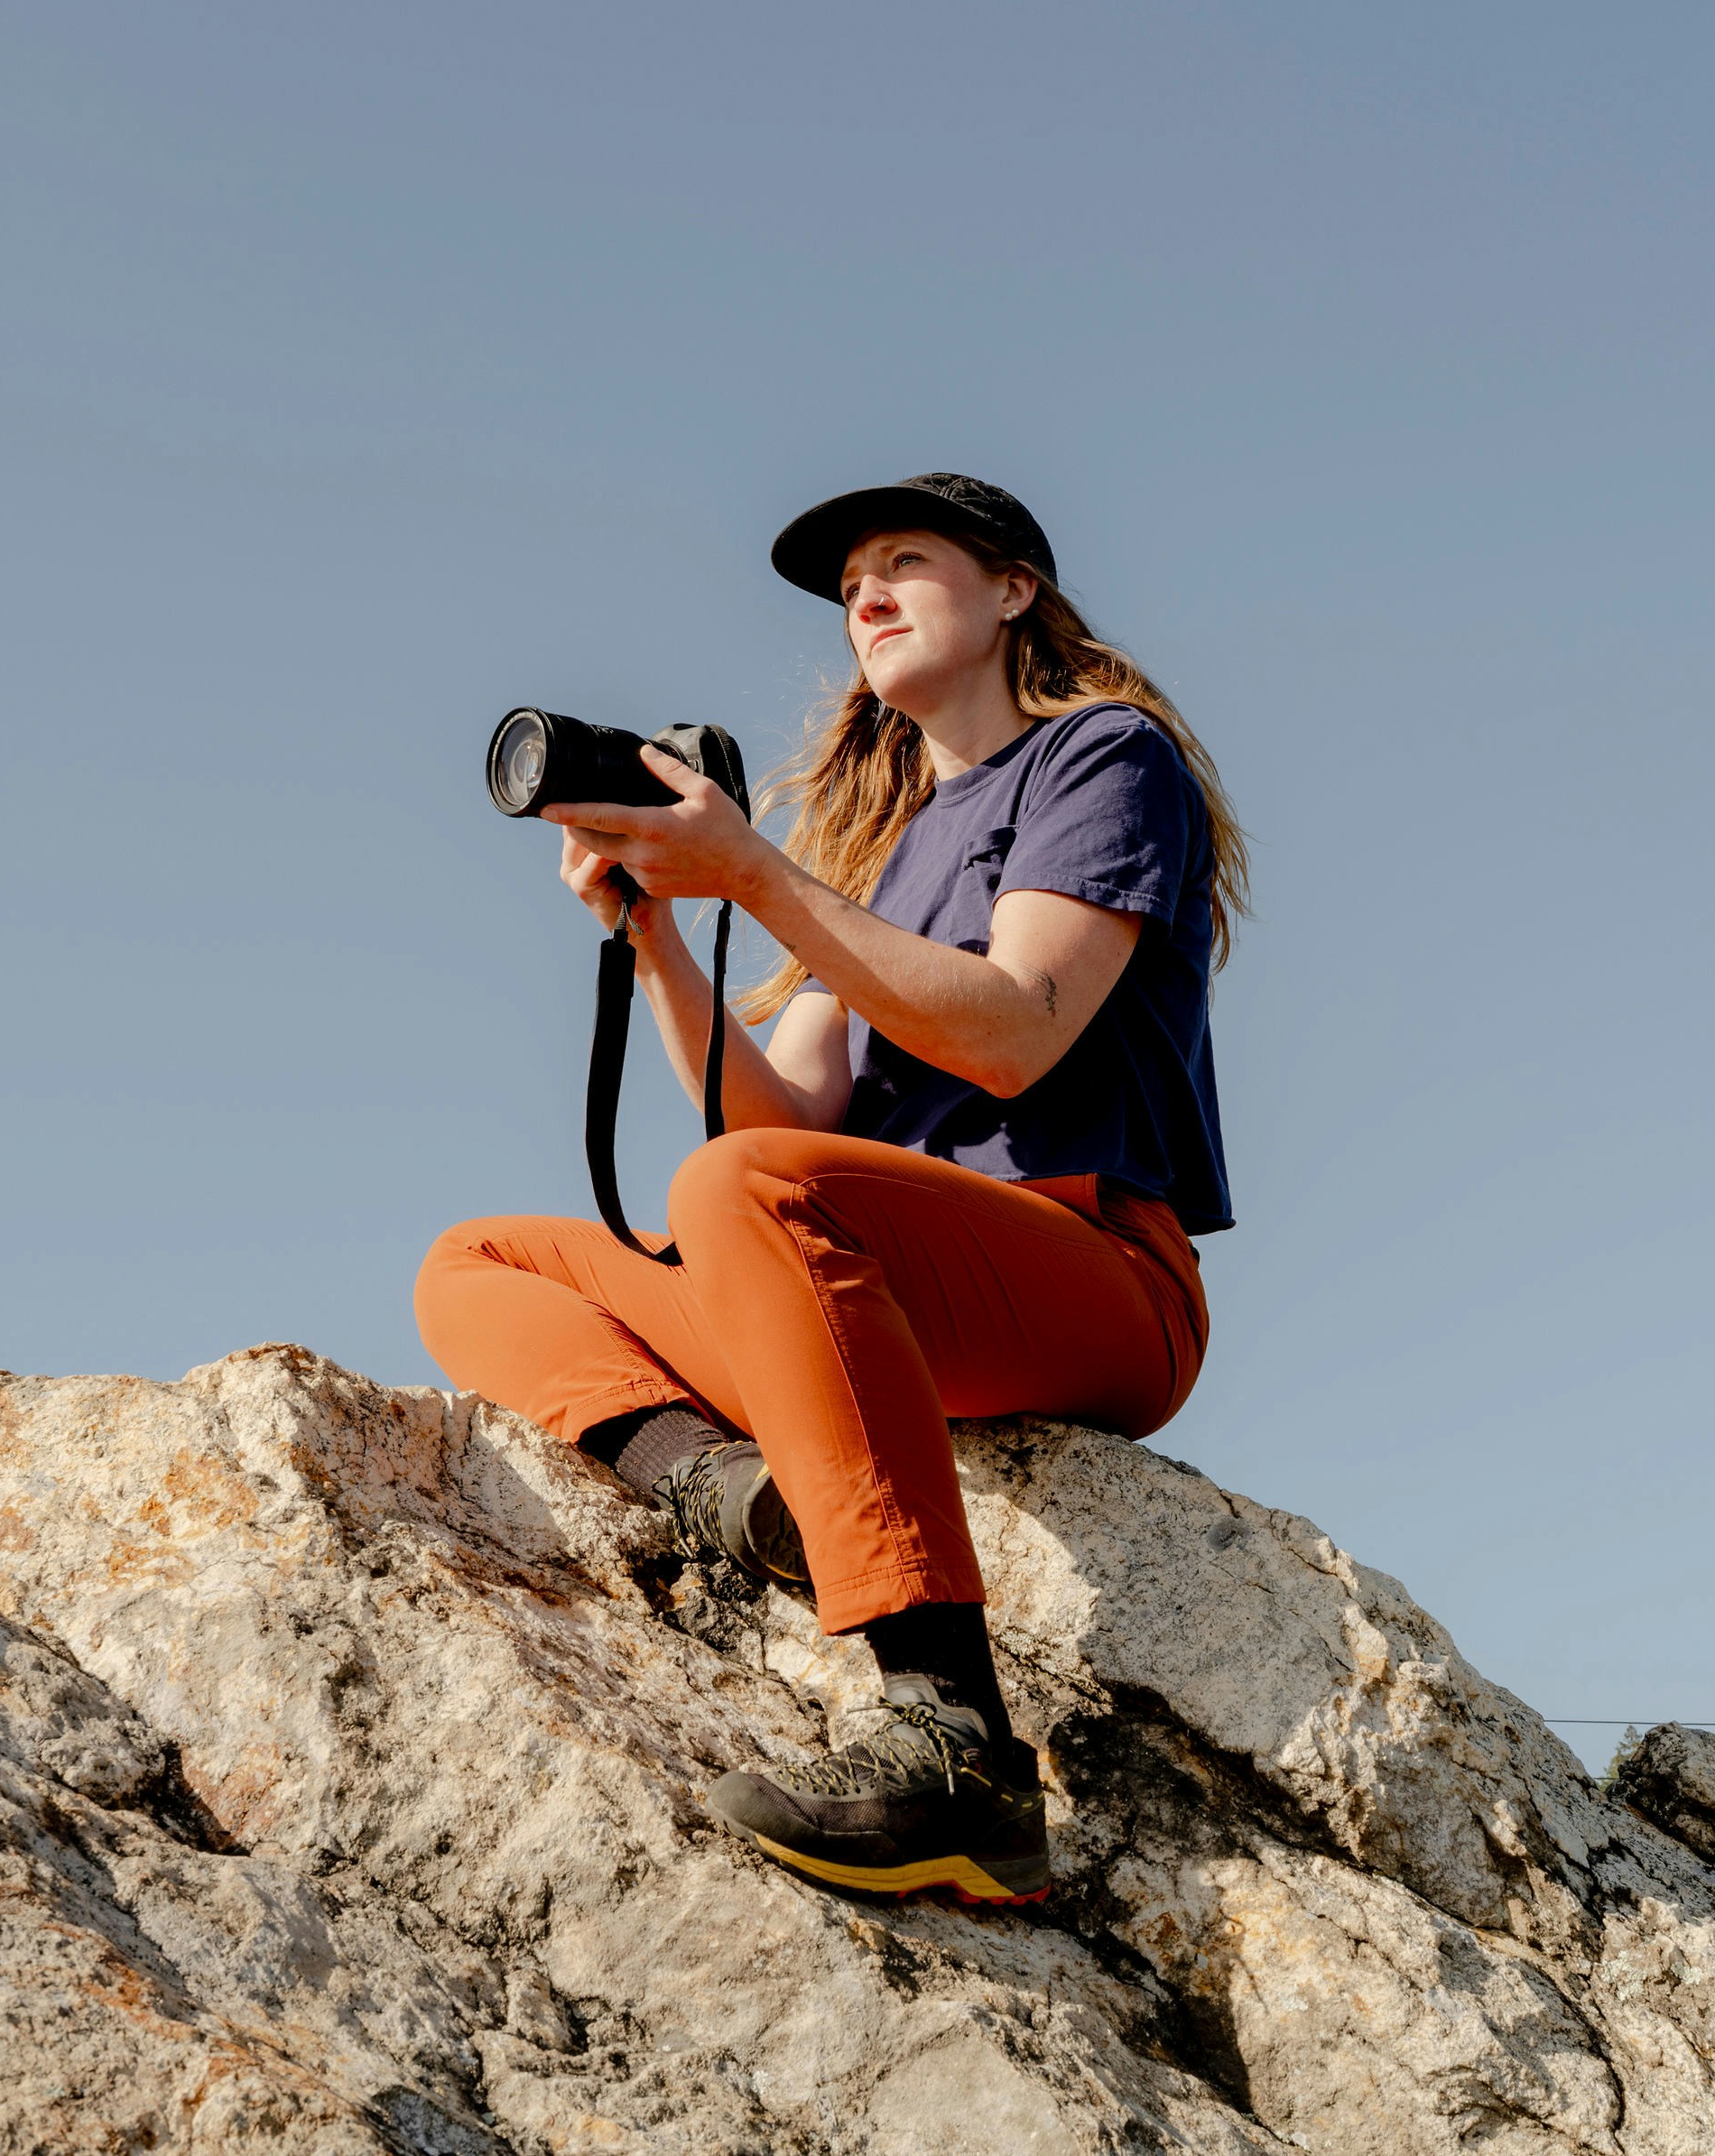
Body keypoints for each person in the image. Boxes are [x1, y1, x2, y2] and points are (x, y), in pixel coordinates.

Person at [416, 473, 1246, 1904]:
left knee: (740, 1189)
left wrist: (759, 877)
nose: (864, 594)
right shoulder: (887, 850)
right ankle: (755, 1506)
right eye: (849, 579)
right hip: (861, 1292)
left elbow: (1015, 1027)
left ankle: (959, 1747)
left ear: (1013, 592)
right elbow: (784, 1109)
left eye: (904, 562)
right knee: (479, 1262)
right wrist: (661, 934)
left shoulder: (1104, 760)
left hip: (1090, 1266)